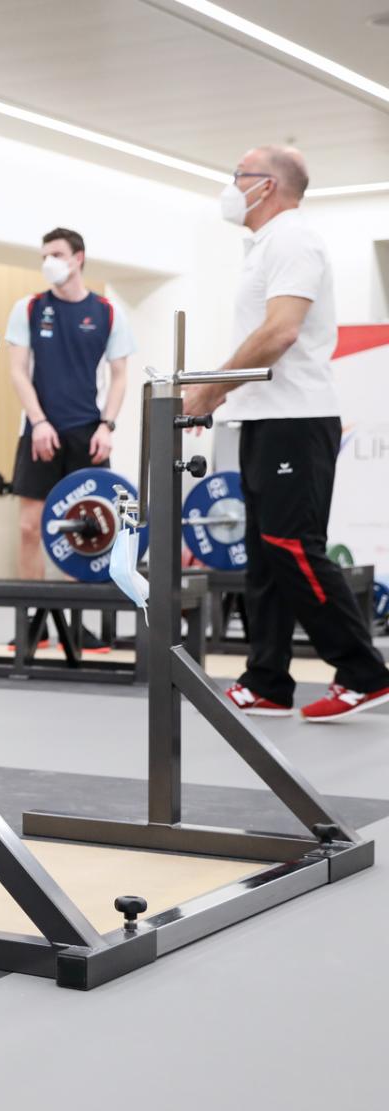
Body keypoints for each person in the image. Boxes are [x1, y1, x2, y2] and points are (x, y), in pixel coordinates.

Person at [184, 145, 389, 723]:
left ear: (266, 184)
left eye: (236, 175)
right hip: (264, 417)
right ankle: (267, 679)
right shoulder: (263, 247)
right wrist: (220, 392)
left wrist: (210, 390)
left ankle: (364, 672)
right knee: (263, 555)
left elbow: (281, 332)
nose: (230, 187)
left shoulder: (294, 239)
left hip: (295, 418)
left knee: (292, 548)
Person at [7, 228, 137, 585]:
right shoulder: (29, 308)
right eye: (44, 256)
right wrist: (39, 422)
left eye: (57, 254)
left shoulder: (108, 312)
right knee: (30, 527)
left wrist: (106, 426)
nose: (49, 262)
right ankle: (32, 618)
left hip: (87, 433)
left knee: (86, 529)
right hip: (40, 431)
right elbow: (18, 372)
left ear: (78, 258)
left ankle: (76, 625)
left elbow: (120, 376)